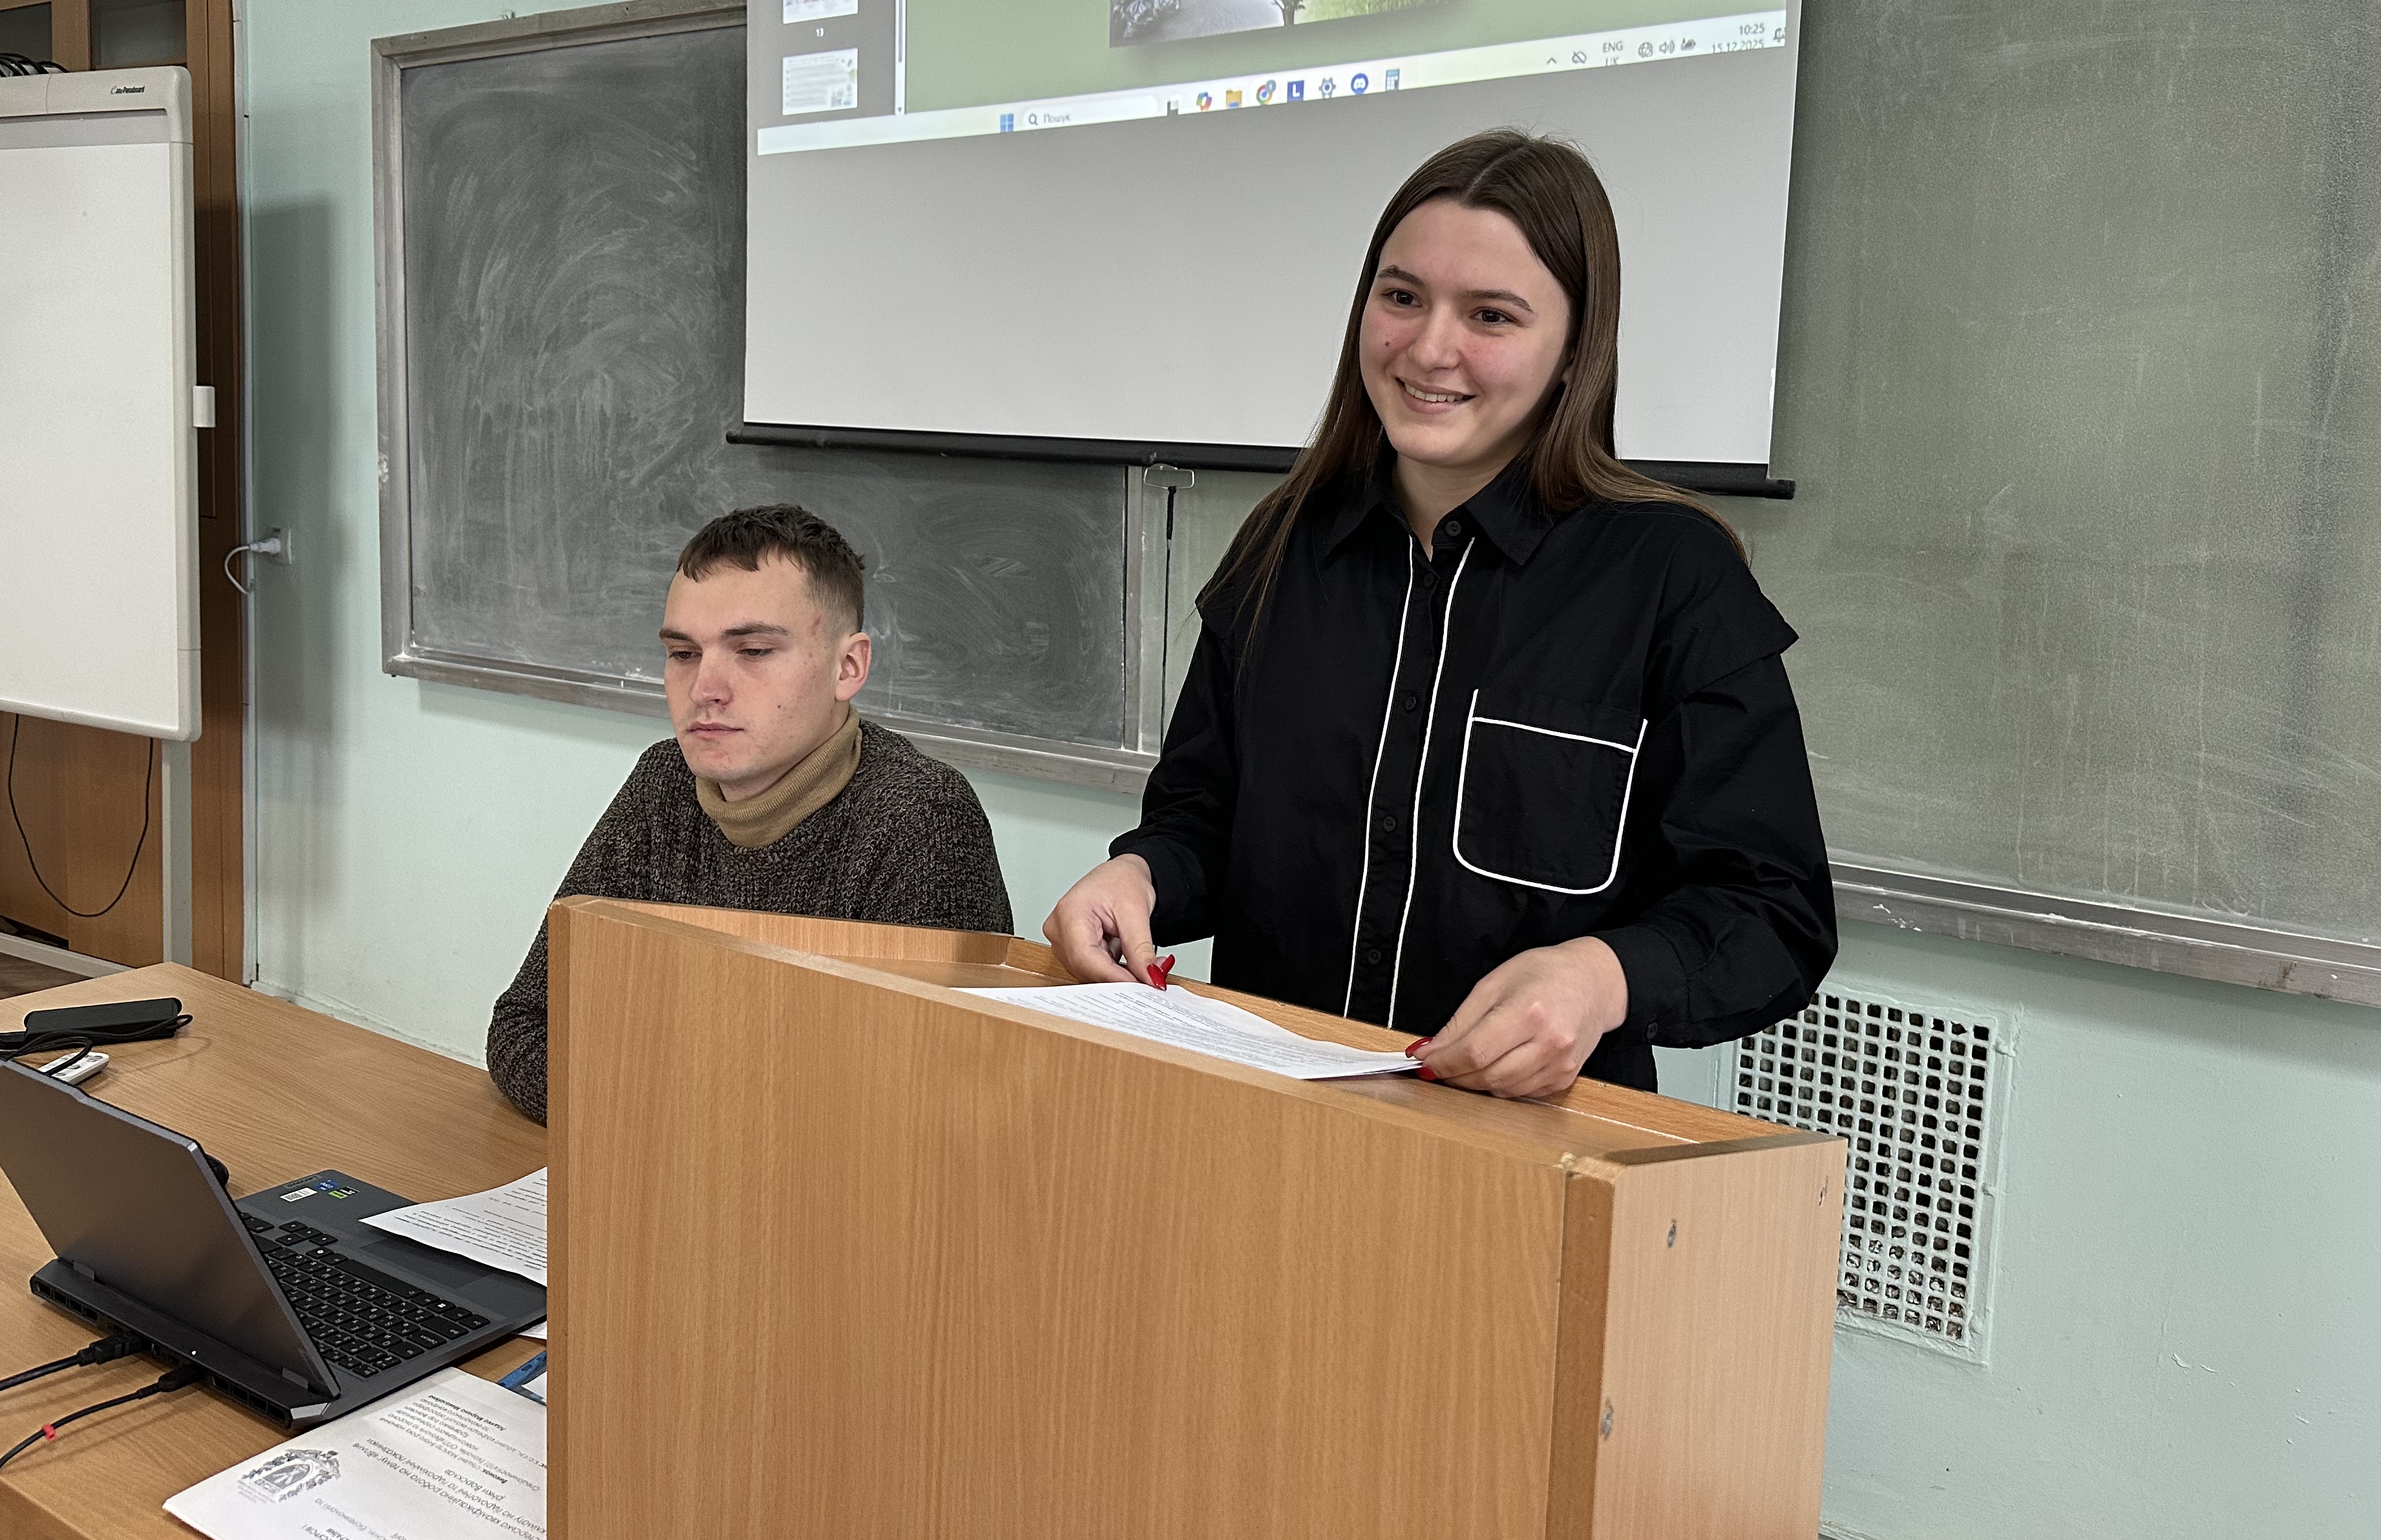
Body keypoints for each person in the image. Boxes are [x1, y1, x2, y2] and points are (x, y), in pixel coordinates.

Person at [1044, 131, 1834, 1099]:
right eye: (1402, 298)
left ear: (1575, 350)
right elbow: (1202, 820)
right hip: (1272, 1117)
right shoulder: (1282, 545)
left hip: (1521, 1150)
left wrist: (1603, 978)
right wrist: (1140, 877)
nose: (1428, 349)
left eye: (1491, 315)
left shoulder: (1672, 576)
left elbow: (1773, 910)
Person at [485, 504, 1011, 1121]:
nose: (705, 689)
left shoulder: (920, 817)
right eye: (683, 653)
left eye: (754, 650)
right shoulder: (664, 781)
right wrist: (668, 1118)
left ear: (848, 668)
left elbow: (921, 1109)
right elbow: (524, 1026)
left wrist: (645, 1101)